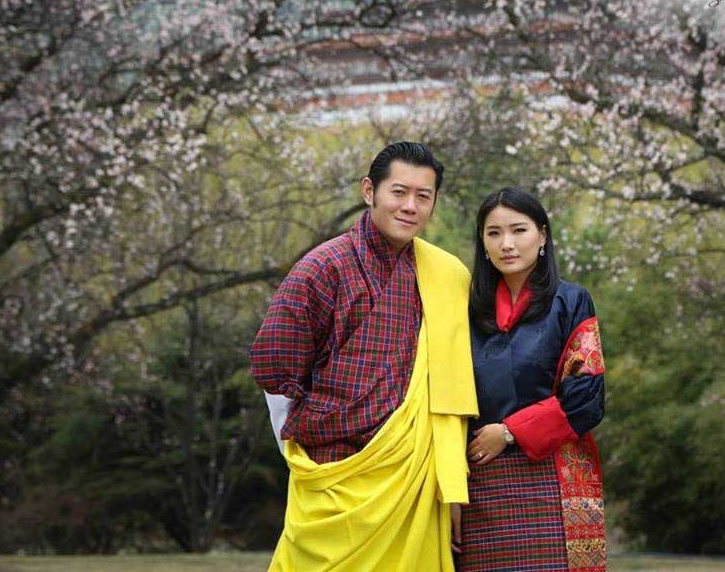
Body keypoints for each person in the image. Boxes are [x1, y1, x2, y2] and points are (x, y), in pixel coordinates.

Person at [249, 142, 477, 572]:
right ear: (369, 191)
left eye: (423, 196)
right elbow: (274, 368)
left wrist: (451, 481)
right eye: (399, 192)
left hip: (414, 474)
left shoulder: (447, 275)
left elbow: (454, 385)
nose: (410, 206)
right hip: (334, 472)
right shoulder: (323, 267)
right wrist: (308, 446)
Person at [456, 187, 606, 572]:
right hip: (480, 486)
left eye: (518, 230)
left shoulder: (571, 302)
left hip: (555, 481)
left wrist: (508, 432)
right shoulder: (463, 312)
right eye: (494, 233)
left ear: (542, 235)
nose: (506, 244)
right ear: (482, 243)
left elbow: (586, 401)